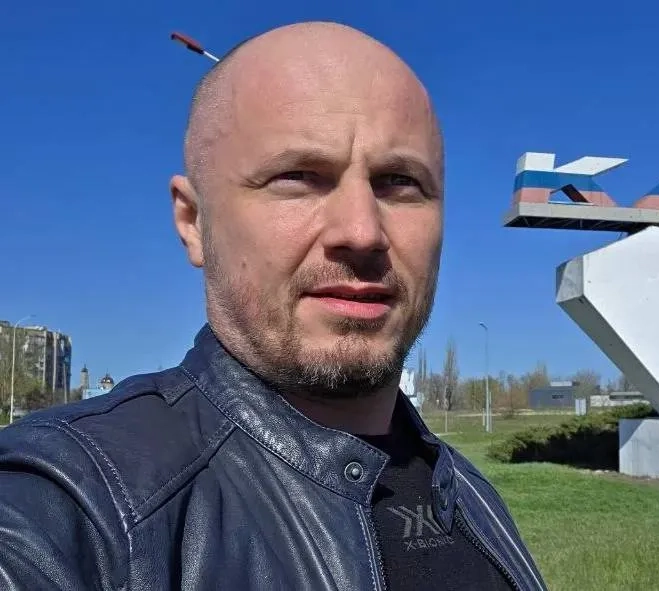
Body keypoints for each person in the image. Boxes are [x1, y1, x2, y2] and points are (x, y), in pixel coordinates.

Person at [0, 22, 547, 590]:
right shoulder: (79, 503)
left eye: (399, 182)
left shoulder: (469, 496)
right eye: (299, 177)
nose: (362, 232)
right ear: (193, 221)